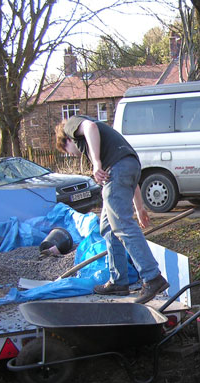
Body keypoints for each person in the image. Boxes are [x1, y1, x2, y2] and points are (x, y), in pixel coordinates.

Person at [55, 115, 169, 304]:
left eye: (68, 151)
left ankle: (152, 277)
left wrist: (97, 163)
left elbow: (90, 127)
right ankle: (119, 281)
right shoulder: (111, 147)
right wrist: (139, 208)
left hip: (117, 169)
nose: (74, 154)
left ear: (67, 140)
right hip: (129, 166)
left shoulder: (70, 127)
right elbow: (130, 175)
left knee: (122, 225)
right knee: (108, 227)